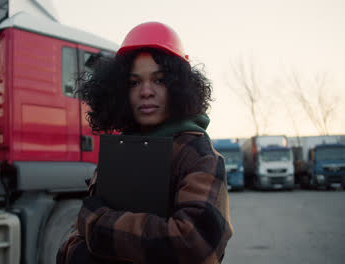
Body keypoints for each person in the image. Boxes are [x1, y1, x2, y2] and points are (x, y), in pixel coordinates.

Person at [56, 21, 233, 264]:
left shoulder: (198, 154)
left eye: (159, 80)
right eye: (134, 82)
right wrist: (75, 253)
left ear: (178, 87)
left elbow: (196, 242)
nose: (146, 91)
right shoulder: (120, 148)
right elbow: (78, 233)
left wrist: (98, 228)